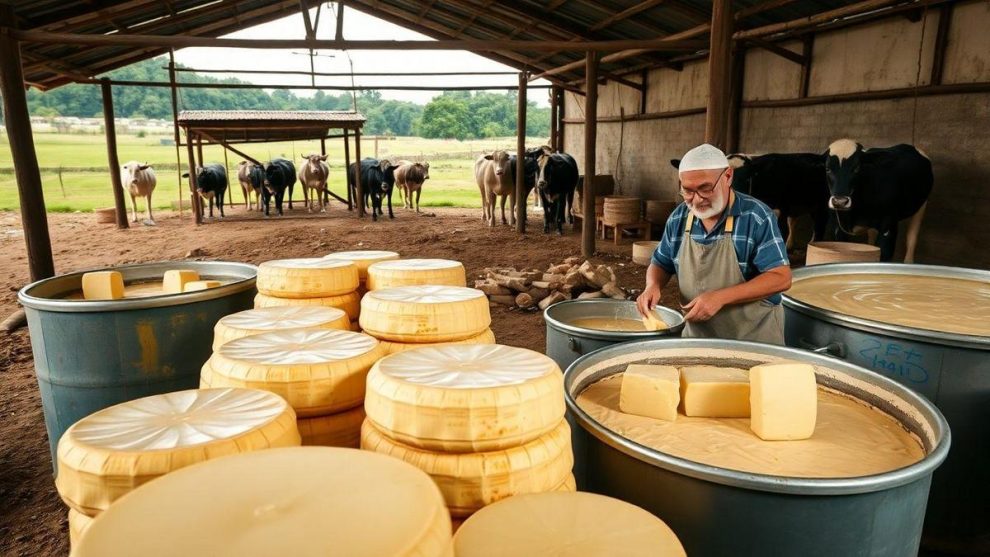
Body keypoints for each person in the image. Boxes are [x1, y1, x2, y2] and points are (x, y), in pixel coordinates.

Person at [636, 144, 791, 344]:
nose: (697, 200)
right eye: (688, 191)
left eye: (705, 188)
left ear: (728, 177)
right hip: (698, 340)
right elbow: (661, 262)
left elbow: (781, 278)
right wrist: (653, 285)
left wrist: (721, 297)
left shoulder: (756, 217)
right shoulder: (679, 218)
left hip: (753, 340)